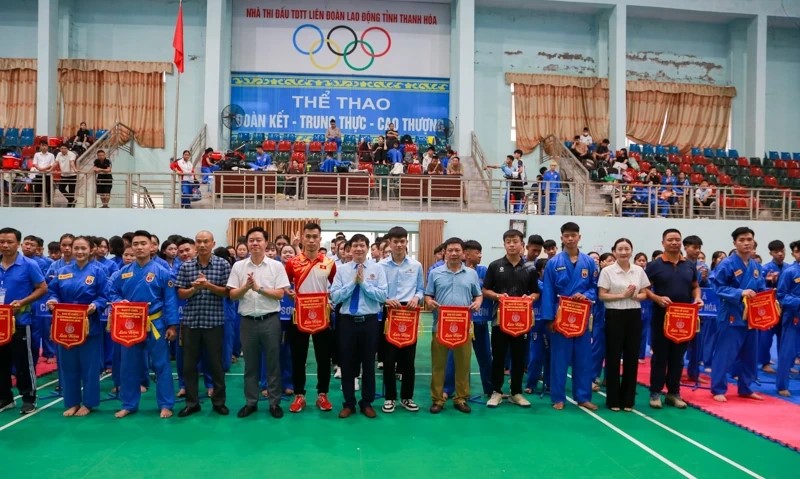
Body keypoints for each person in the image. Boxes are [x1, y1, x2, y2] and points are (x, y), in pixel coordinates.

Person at [108, 230, 178, 418]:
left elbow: (170, 299)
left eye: (143, 243)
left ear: (152, 246)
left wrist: (172, 325)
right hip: (130, 325)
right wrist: (119, 302)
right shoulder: (123, 272)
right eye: (136, 244)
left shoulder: (163, 272)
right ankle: (129, 404)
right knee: (129, 365)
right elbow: (112, 292)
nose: (139, 247)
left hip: (156, 324)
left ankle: (165, 404)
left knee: (161, 365)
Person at [226, 227, 289, 418]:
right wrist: (246, 286)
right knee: (250, 365)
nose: (254, 243)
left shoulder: (276, 266)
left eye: (258, 240)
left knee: (272, 364)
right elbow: (232, 294)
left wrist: (259, 289)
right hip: (247, 321)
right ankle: (251, 402)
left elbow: (280, 293)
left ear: (265, 243)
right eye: (251, 240)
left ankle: (274, 403)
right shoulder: (239, 266)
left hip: (270, 320)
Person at [45, 236, 108, 417]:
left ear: (91, 250)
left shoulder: (99, 271)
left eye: (83, 248)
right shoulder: (62, 271)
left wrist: (95, 305)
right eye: (76, 248)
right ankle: (71, 402)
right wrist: (52, 301)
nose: (80, 252)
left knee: (89, 367)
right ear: (71, 250)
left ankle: (88, 403)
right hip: (65, 326)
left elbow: (104, 296)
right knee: (68, 366)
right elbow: (53, 291)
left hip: (90, 326)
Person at [540, 222, 598, 411]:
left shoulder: (589, 262)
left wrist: (586, 295)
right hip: (560, 316)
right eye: (567, 235)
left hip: (581, 316)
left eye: (574, 235)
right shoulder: (553, 263)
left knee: (583, 358)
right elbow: (547, 290)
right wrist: (548, 318)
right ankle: (558, 397)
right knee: (559, 358)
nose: (570, 239)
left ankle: (583, 397)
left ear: (579, 237)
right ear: (562, 238)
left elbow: (595, 287)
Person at [330, 234, 388, 419]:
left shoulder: (377, 269)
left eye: (362, 245)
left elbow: (382, 296)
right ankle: (348, 403)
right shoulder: (341, 270)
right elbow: (336, 296)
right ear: (350, 249)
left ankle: (367, 402)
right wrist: (352, 283)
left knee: (368, 364)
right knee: (347, 364)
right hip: (347, 322)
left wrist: (363, 284)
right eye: (355, 245)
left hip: (369, 321)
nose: (358, 249)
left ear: (367, 247)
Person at [175, 231, 231, 417]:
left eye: (206, 241)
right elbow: (180, 293)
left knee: (216, 364)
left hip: (214, 322)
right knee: (189, 366)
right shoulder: (187, 266)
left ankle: (219, 402)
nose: (202, 245)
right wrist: (194, 289)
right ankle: (192, 403)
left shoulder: (223, 265)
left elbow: (227, 292)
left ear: (213, 243)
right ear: (194, 244)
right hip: (191, 322)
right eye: (198, 241)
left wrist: (208, 286)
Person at [645, 228, 703, 409]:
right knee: (660, 356)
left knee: (678, 358)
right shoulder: (654, 265)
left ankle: (673, 393)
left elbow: (695, 286)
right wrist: (656, 298)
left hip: (684, 318)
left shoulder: (689, 265)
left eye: (677, 239)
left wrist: (698, 297)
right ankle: (655, 392)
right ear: (663, 243)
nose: (674, 242)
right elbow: (643, 289)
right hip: (662, 317)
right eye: (670, 239)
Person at [425, 237, 482, 414]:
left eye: (457, 250)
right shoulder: (435, 273)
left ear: (463, 253)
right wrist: (429, 302)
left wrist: (478, 303)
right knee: (438, 365)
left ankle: (461, 398)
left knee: (463, 365)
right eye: (450, 250)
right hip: (440, 326)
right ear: (445, 253)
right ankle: (437, 399)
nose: (454, 253)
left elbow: (478, 295)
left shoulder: (472, 274)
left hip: (463, 327)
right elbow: (428, 296)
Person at [483, 229, 540, 408]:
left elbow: (536, 293)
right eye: (508, 241)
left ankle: (516, 392)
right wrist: (498, 297)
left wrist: (529, 298)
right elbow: (485, 290)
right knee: (498, 357)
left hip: (521, 322)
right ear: (504, 244)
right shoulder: (494, 266)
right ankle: (497, 392)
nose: (512, 244)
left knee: (519, 357)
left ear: (522, 244)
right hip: (499, 320)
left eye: (515, 241)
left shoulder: (530, 269)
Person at [284, 222, 337, 413]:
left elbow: (336, 288)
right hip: (299, 317)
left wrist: (331, 300)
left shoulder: (329, 263)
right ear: (303, 239)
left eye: (315, 237)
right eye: (308, 236)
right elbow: (285, 285)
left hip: (322, 317)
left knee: (324, 358)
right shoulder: (293, 263)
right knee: (298, 357)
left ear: (320, 239)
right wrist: (289, 293)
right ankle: (300, 395)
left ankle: (322, 395)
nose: (312, 240)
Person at [710, 227, 766, 403]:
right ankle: (718, 388)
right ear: (735, 243)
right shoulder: (727, 264)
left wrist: (769, 300)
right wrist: (740, 292)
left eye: (749, 239)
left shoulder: (756, 266)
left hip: (752, 317)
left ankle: (746, 387)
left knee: (750, 355)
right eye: (742, 240)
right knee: (725, 353)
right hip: (732, 315)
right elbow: (717, 287)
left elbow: (761, 288)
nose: (746, 243)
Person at [598, 238, 650, 412]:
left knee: (631, 357)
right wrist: (623, 295)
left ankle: (628, 400)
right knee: (613, 357)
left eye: (627, 249)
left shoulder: (639, 270)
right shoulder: (607, 271)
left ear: (631, 250)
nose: (623, 252)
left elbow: (645, 293)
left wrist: (635, 296)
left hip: (634, 315)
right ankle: (613, 399)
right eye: (620, 249)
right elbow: (602, 295)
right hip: (614, 315)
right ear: (614, 251)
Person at [0, 228, 48, 414]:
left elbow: (42, 288)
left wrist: (22, 302)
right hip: (0, 323)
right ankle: (5, 397)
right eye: (2, 241)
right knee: (1, 362)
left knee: (23, 362)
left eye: (9, 241)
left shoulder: (29, 265)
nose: (5, 245)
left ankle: (29, 398)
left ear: (18, 244)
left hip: (20, 321)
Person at [379, 227, 424, 413]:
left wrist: (416, 298)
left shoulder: (416, 265)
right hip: (389, 313)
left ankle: (407, 397)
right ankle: (390, 398)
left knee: (408, 361)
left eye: (402, 241)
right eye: (395, 241)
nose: (399, 244)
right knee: (388, 361)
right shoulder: (380, 266)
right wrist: (385, 299)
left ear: (407, 242)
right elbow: (376, 290)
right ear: (389, 243)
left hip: (409, 314)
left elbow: (421, 289)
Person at [776, 240, 800, 396]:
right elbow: (781, 296)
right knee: (787, 352)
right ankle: (782, 385)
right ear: (793, 254)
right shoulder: (790, 272)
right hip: (794, 316)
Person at [759, 240, 786, 374]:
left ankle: (784, 363)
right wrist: (768, 282)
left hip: (786, 309)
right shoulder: (765, 269)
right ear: (771, 253)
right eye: (776, 252)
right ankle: (765, 363)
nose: (780, 254)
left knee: (785, 338)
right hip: (770, 309)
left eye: (782, 251)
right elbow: (759, 289)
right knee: (766, 338)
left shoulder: (789, 268)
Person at [32, 141, 55, 207]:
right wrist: (39, 168)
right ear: (40, 146)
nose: (44, 147)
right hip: (39, 175)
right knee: (37, 191)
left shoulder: (51, 155)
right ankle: (37, 205)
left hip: (47, 175)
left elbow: (52, 164)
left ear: (47, 147)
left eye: (45, 146)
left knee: (48, 191)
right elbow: (35, 163)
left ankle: (49, 204)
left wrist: (43, 169)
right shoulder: (37, 154)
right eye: (42, 145)